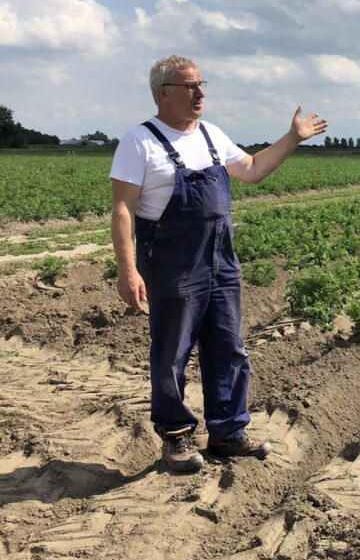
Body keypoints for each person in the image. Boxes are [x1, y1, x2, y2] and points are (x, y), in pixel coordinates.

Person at [110, 55, 328, 473]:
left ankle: (228, 433)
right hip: (172, 262)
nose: (200, 93)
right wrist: (127, 269)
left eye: (201, 84)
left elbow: (251, 170)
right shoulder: (140, 141)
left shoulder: (211, 134)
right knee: (172, 352)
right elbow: (123, 208)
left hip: (220, 260)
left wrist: (293, 137)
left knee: (229, 348)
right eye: (189, 86)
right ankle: (175, 437)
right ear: (163, 93)